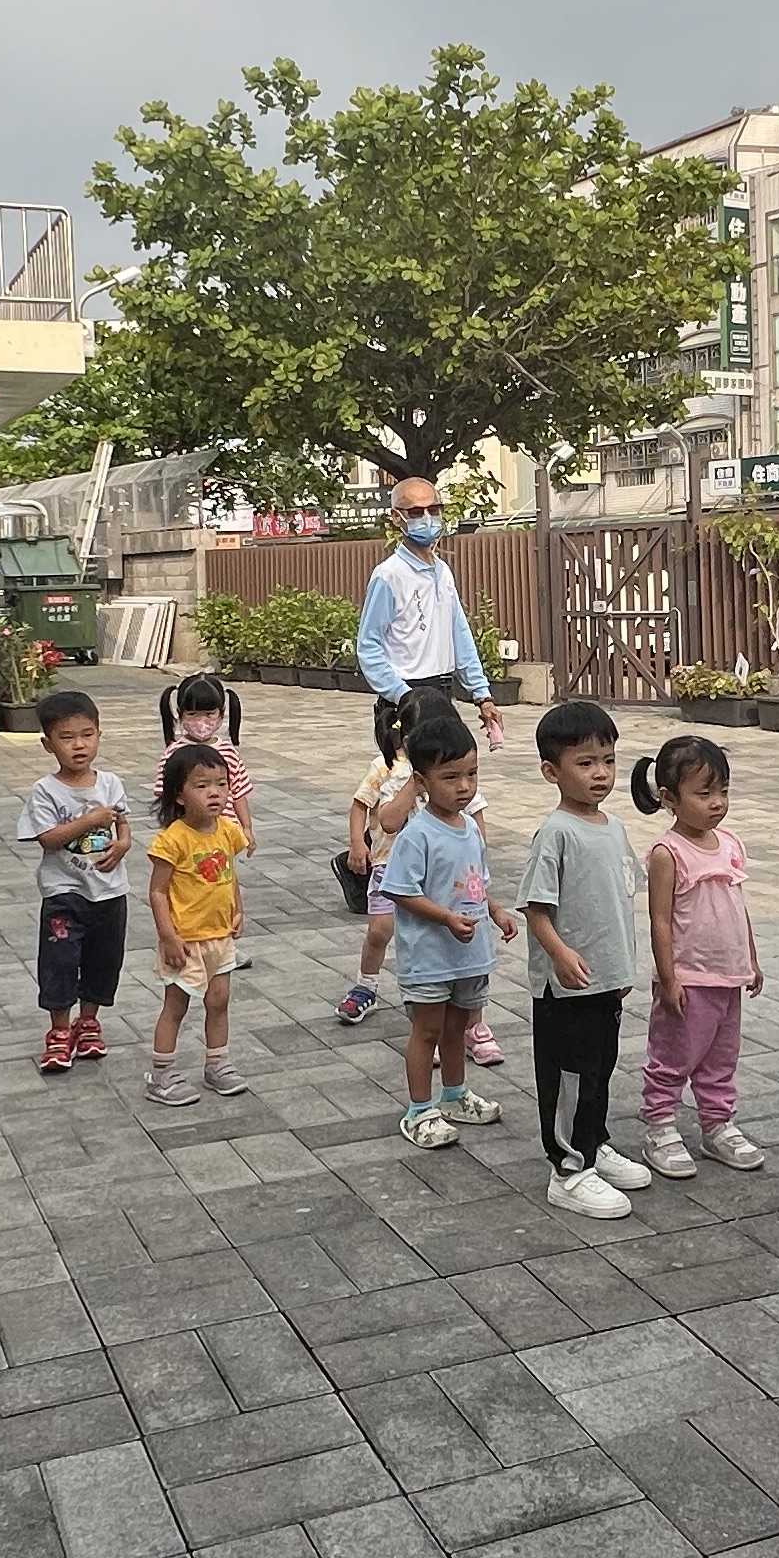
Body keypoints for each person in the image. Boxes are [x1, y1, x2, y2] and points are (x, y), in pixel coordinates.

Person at [521, 699, 659, 1217]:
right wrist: (559, 954)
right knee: (570, 1076)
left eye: (608, 760)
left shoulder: (614, 827)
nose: (600, 773)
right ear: (551, 772)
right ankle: (568, 1169)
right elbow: (536, 910)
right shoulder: (555, 833)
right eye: (585, 763)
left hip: (605, 980)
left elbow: (617, 899)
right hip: (566, 987)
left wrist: (622, 967)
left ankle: (594, 1143)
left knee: (600, 1068)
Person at [376, 703, 513, 1146]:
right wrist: (446, 918)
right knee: (428, 1031)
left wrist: (495, 911)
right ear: (421, 782)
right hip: (430, 957)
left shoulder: (470, 829)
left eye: (471, 774)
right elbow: (400, 890)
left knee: (458, 1028)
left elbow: (476, 884)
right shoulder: (417, 834)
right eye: (451, 777)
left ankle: (455, 1094)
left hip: (468, 954)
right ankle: (419, 1109)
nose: (464, 786)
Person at [636, 733, 766, 1171]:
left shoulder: (729, 843)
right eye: (704, 793)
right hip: (689, 978)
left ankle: (717, 1124)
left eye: (723, 791)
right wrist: (668, 977)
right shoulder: (667, 853)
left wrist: (750, 959)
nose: (717, 803)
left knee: (721, 1056)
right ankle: (660, 1125)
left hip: (727, 976)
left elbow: (737, 906)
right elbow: (659, 920)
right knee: (673, 1056)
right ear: (670, 798)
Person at [18, 686, 130, 1075]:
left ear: (99, 734)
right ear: (48, 744)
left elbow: (122, 823)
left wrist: (123, 844)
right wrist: (89, 821)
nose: (78, 745)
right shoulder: (45, 791)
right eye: (66, 737)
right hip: (64, 893)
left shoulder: (110, 783)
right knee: (60, 961)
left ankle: (89, 1023)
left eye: (87, 735)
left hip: (109, 891)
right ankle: (59, 1031)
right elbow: (48, 839)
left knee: (104, 959)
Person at [354, 476, 500, 751]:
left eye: (433, 510)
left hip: (442, 692)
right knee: (406, 775)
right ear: (396, 518)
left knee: (449, 773)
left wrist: (482, 695)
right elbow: (368, 646)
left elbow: (459, 635)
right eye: (416, 512)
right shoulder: (389, 576)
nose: (427, 518)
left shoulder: (442, 571)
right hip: (406, 697)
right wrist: (403, 696)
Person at [142, 743, 252, 1105]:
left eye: (221, 784)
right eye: (202, 785)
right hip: (186, 940)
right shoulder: (172, 839)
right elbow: (157, 891)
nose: (214, 793)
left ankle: (217, 1063)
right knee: (176, 1006)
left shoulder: (227, 831)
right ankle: (161, 1075)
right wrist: (168, 936)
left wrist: (237, 908)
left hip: (220, 937)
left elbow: (229, 873)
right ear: (179, 795)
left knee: (219, 1000)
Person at [336, 693, 419, 1027]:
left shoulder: (442, 769)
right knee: (379, 930)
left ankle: (432, 995)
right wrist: (357, 843)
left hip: (427, 871)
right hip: (388, 863)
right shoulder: (385, 766)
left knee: (424, 936)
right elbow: (360, 805)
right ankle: (366, 985)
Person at [169, 672, 254, 840]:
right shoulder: (173, 754)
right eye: (192, 714)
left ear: (221, 714)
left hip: (226, 835)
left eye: (209, 714)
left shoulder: (229, 752)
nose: (201, 721)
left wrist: (246, 828)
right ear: (180, 714)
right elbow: (167, 798)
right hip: (188, 837)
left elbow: (238, 794)